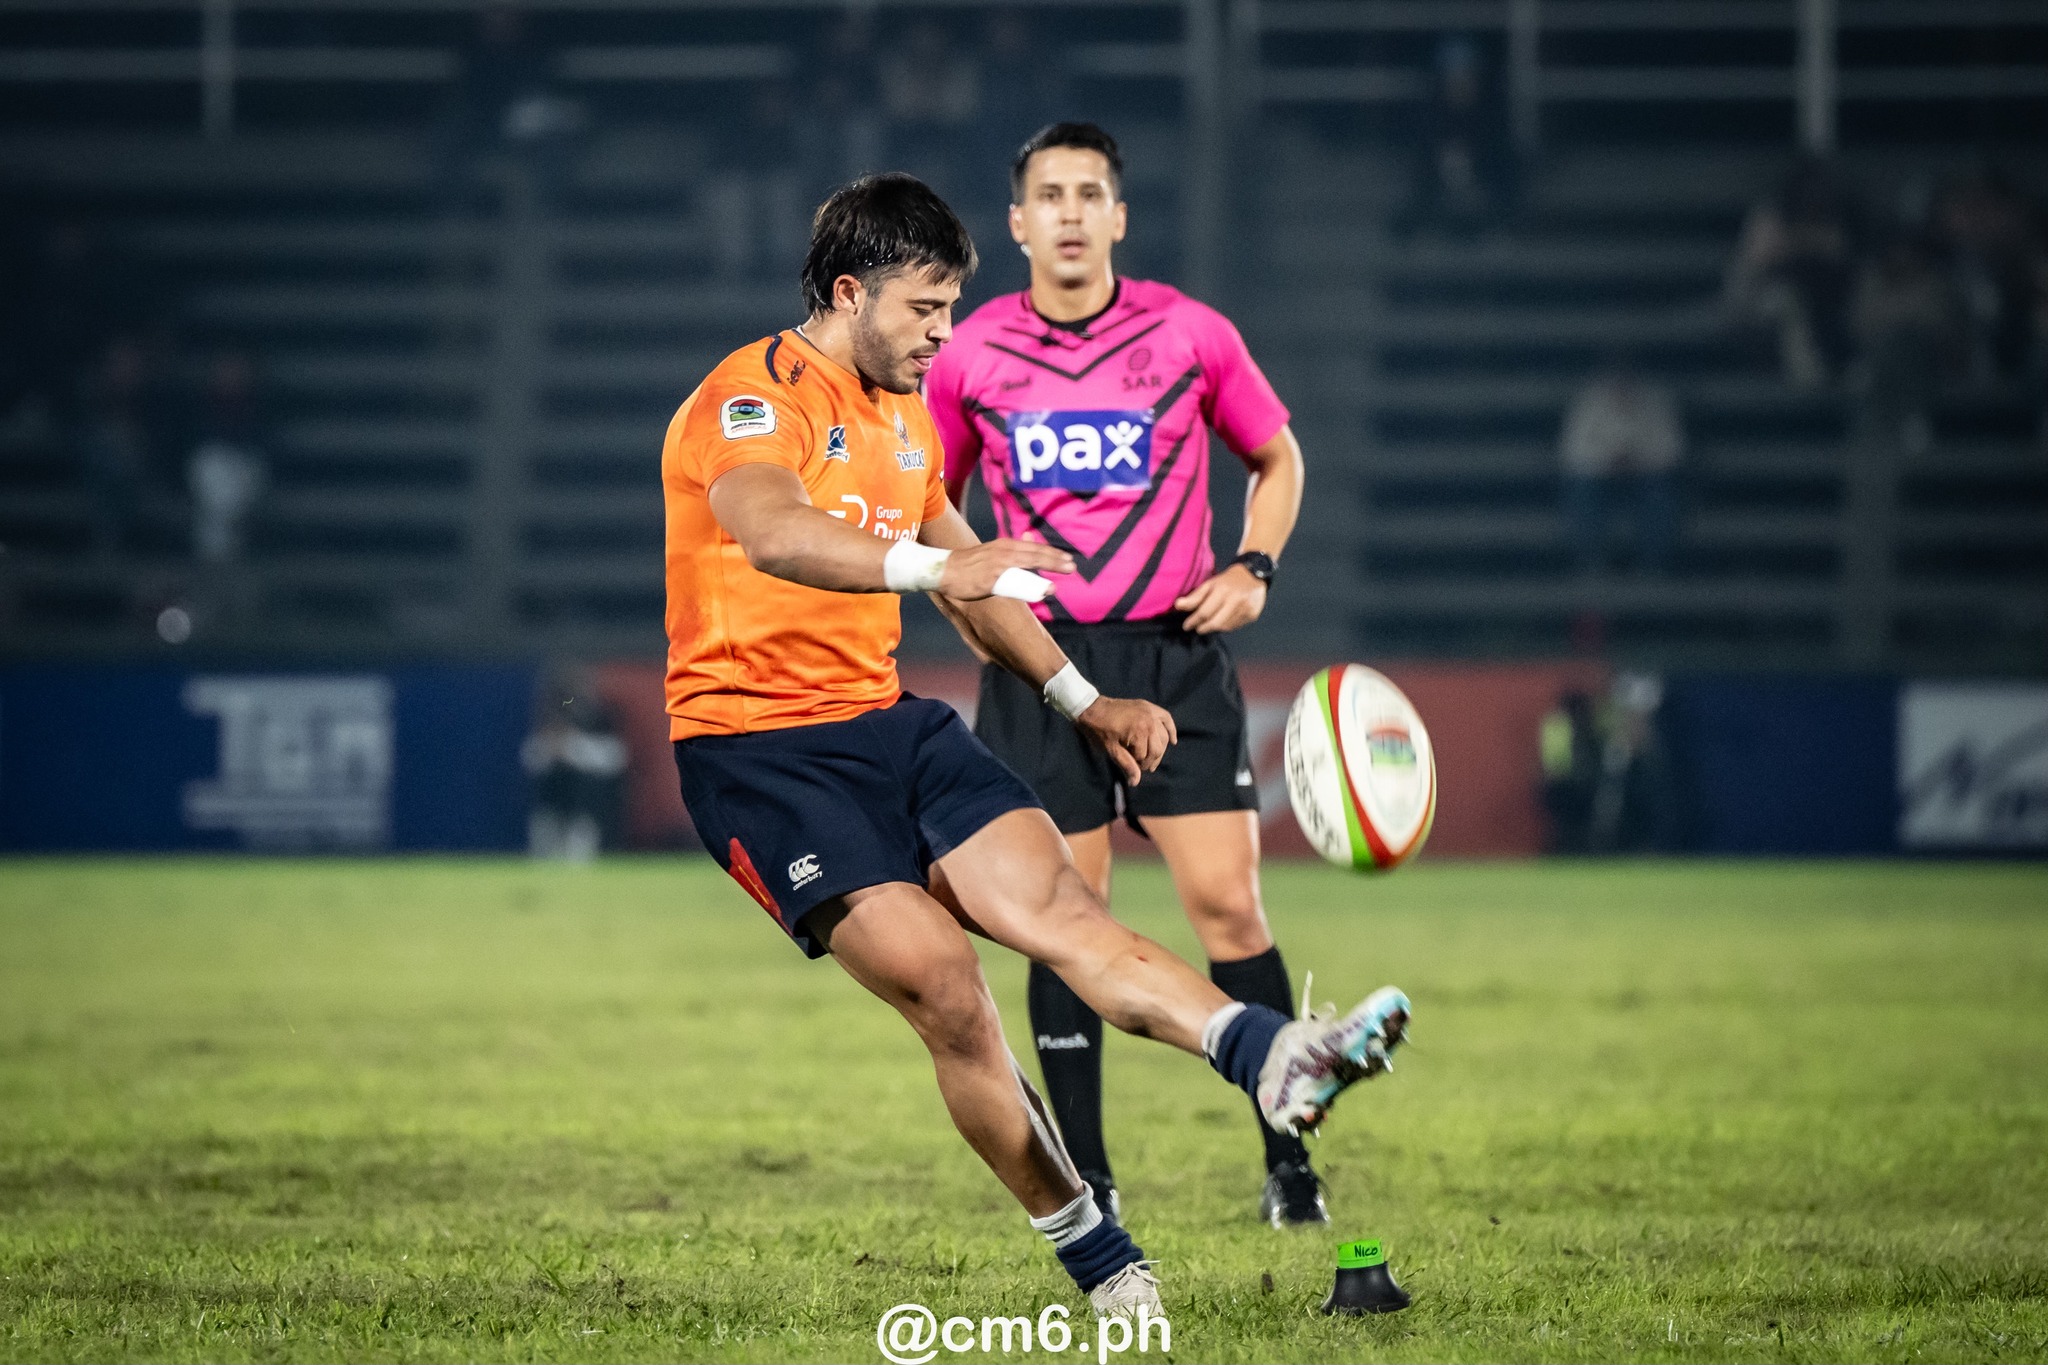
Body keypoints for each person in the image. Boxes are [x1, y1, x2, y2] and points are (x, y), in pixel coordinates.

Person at [660, 172, 1410, 1317]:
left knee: (1063, 918)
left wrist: (1081, 699)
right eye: (922, 310)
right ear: (849, 290)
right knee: (949, 991)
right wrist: (933, 565)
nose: (940, 336)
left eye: (951, 312)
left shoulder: (901, 414)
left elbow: (973, 588)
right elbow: (772, 534)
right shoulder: (752, 398)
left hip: (891, 726)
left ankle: (1272, 1056)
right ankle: (1098, 1255)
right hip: (760, 754)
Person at [925, 124, 1330, 1228]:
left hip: (1176, 652)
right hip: (1048, 665)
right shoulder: (967, 355)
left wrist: (1253, 567)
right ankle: (1090, 1182)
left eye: (1086, 193)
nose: (1065, 212)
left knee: (1228, 910)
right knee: (1066, 913)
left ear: (1118, 216)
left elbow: (1277, 455)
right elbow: (927, 501)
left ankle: (1288, 1166)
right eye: (1045, 195)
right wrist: (975, 609)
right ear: (1013, 223)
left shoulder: (1190, 335)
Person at [1558, 359, 1684, 574]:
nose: (1622, 383)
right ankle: (1591, 563)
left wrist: (1636, 460)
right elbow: (1572, 451)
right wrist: (1608, 461)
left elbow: (1672, 451)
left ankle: (1652, 566)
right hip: (1599, 479)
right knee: (1582, 492)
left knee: (1660, 495)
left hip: (1644, 477)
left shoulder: (1655, 403)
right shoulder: (1589, 404)